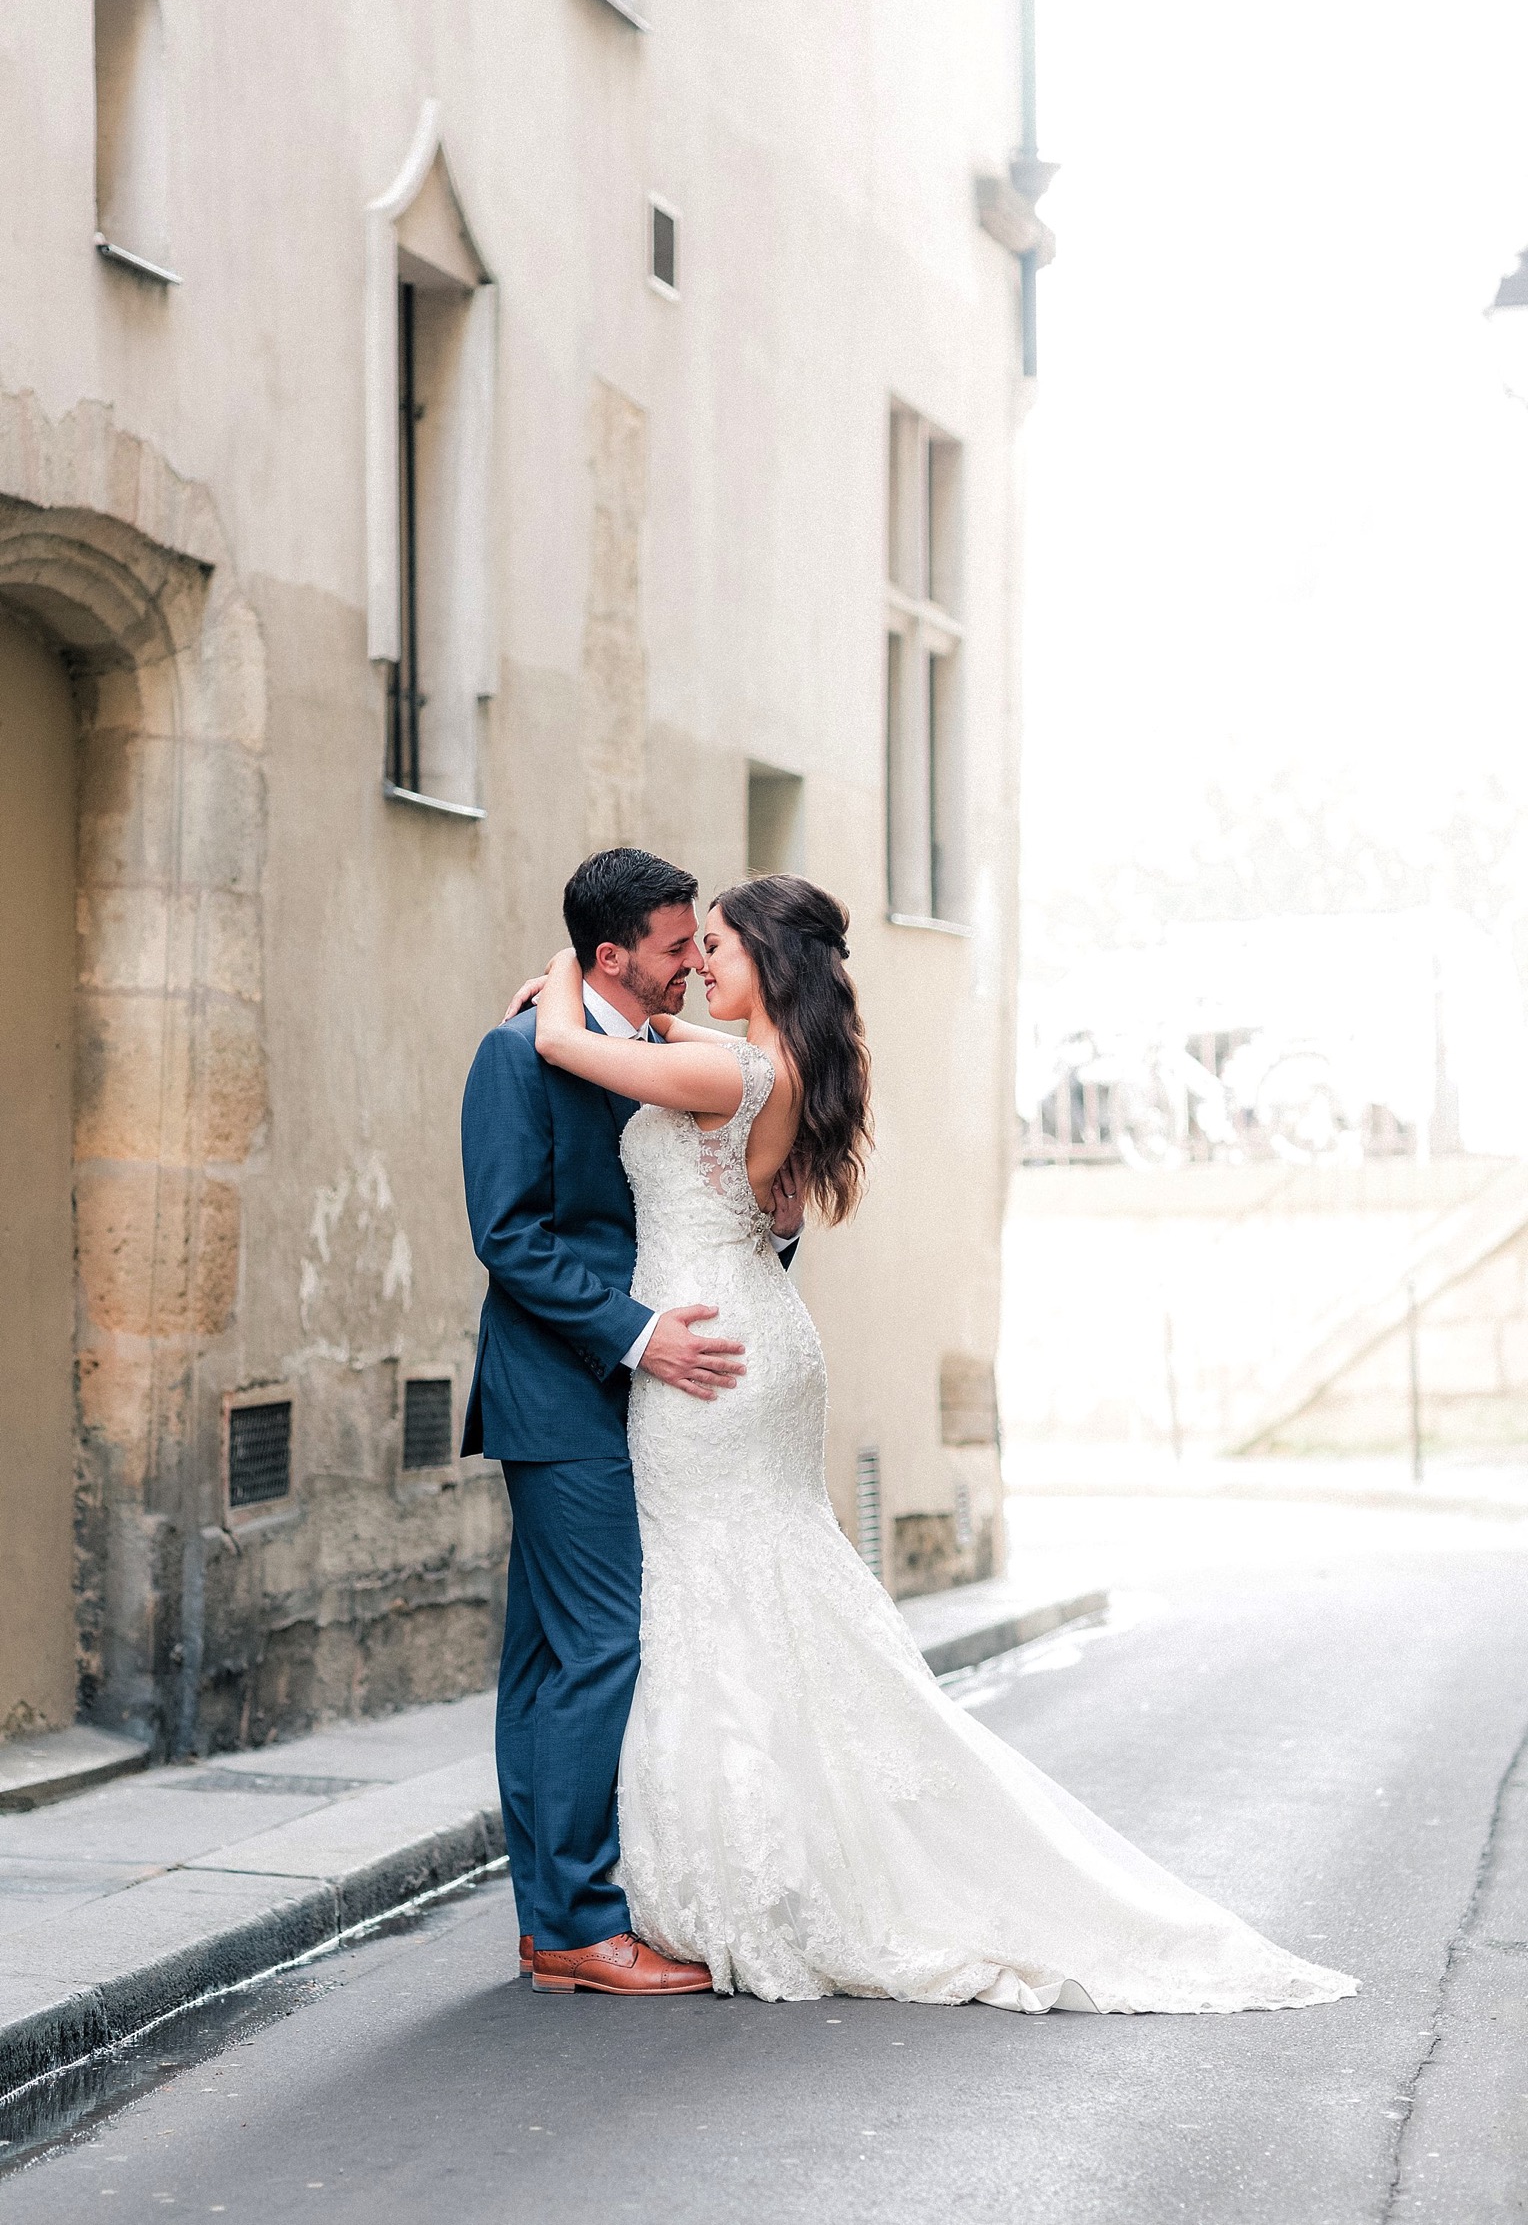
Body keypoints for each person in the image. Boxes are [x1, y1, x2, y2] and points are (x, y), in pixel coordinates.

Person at [517, 868, 1359, 2013]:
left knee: (713, 1588)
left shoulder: (726, 1066)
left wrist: (567, 971)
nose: (699, 964)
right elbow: (702, 1122)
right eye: (690, 946)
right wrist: (645, 1012)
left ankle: (745, 1872)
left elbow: (570, 1050)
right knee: (760, 1588)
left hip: (705, 1352)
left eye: (714, 945)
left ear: (766, 960)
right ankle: (786, 1851)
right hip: (754, 1334)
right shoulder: (779, 1068)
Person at [460, 848, 801, 1997]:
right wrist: (640, 1334)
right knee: (599, 1647)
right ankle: (577, 1924)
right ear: (610, 955)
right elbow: (510, 1237)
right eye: (672, 947)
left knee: (549, 1658)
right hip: (562, 1394)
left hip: (643, 1399)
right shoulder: (517, 1053)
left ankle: (546, 1921)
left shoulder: (658, 1051)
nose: (691, 965)